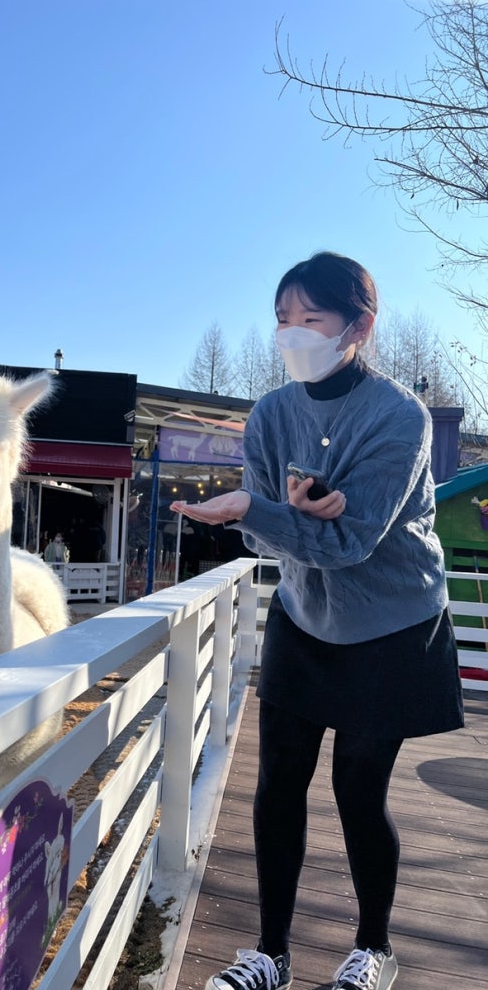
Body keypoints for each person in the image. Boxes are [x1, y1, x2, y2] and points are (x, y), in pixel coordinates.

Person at [171, 252, 464, 990]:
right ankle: (268, 952)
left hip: (392, 621)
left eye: (311, 320)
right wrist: (273, 514)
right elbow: (270, 534)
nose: (292, 334)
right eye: (281, 321)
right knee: (276, 784)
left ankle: (373, 949)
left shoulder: (397, 416)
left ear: (357, 327)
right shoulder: (270, 414)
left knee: (356, 789)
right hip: (304, 614)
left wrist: (262, 511)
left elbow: (351, 540)